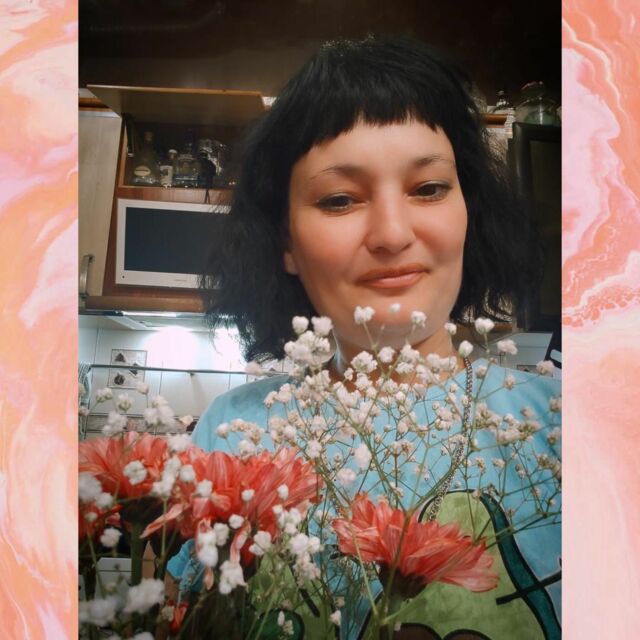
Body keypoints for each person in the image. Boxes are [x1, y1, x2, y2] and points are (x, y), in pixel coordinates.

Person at [166, 36, 561, 640]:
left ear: (469, 214)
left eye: (428, 188)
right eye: (339, 199)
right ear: (285, 243)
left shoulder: (568, 425)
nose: (392, 234)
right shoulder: (231, 434)